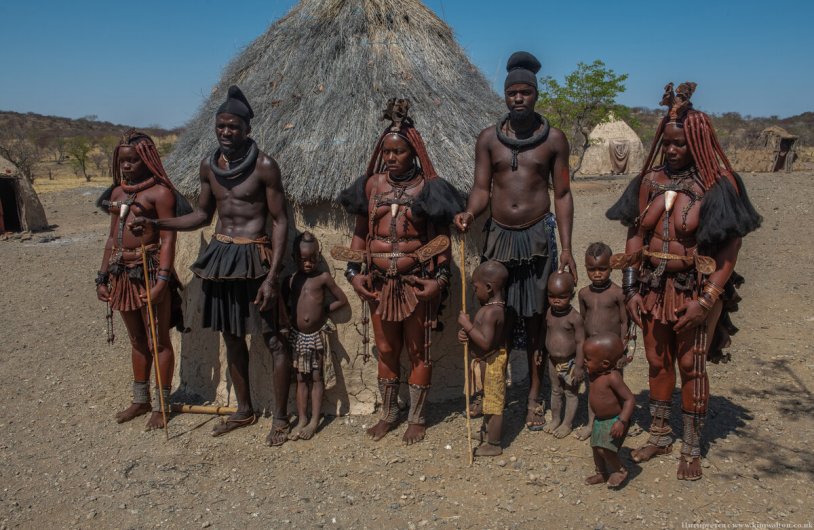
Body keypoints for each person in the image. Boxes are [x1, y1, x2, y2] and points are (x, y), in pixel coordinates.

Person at [606, 82, 761, 480]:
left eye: (681, 144)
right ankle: (659, 434)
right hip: (653, 285)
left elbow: (729, 251)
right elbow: (635, 235)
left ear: (697, 142)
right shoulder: (648, 181)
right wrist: (630, 288)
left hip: (694, 287)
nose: (673, 151)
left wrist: (708, 300)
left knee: (692, 364)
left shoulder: (717, 186)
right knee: (657, 360)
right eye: (668, 144)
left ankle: (691, 445)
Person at [131, 86, 292, 445]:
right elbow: (202, 216)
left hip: (255, 260)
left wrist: (273, 276)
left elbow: (281, 221)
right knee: (232, 338)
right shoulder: (209, 165)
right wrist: (158, 226)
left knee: (273, 339)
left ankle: (280, 418)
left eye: (233, 126)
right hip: (221, 259)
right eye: (221, 126)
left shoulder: (265, 166)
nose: (226, 132)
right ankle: (244, 409)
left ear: (247, 129)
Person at [454, 51, 576, 432]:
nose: (518, 99)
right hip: (500, 239)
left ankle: (534, 399)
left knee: (537, 321)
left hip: (539, 238)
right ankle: (491, 396)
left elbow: (564, 194)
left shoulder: (554, 140)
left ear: (536, 94)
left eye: (525, 92)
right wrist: (470, 213)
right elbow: (480, 189)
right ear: (504, 96)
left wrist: (567, 248)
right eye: (512, 93)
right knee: (498, 320)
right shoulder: (489, 139)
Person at [337, 98, 461, 444]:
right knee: (386, 348)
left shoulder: (428, 188)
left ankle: (417, 417)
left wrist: (438, 281)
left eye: (399, 152)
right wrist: (352, 274)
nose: (392, 158)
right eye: (387, 152)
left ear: (414, 154)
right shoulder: (371, 187)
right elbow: (361, 233)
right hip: (377, 283)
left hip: (415, 283)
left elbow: (440, 240)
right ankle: (389, 413)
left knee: (418, 347)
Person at [96, 130, 191, 431]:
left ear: (147, 159)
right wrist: (102, 276)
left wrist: (162, 280)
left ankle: (163, 405)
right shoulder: (116, 194)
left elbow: (167, 240)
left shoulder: (161, 193)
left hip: (150, 271)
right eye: (123, 161)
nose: (127, 166)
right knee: (137, 340)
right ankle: (141, 400)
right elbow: (112, 237)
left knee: (158, 340)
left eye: (134, 160)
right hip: (122, 272)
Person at [282, 232, 348, 441]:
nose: (308, 263)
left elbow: (342, 299)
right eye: (303, 259)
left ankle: (314, 421)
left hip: (317, 337)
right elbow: (283, 306)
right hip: (298, 337)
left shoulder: (323, 278)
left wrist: (324, 310)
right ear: (294, 258)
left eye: (312, 259)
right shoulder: (291, 280)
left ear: (318, 257)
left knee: (317, 377)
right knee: (301, 379)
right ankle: (302, 419)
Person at [574, 242, 629, 440]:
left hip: (612, 351)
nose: (597, 274)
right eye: (592, 269)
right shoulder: (584, 294)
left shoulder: (618, 293)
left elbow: (624, 322)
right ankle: (592, 423)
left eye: (602, 269)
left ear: (611, 267)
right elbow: (582, 322)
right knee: (593, 387)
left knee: (616, 385)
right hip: (592, 351)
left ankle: (621, 421)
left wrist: (622, 350)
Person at [457, 260, 508, 457]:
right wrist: (465, 335)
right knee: (487, 400)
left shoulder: (492, 312)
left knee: (494, 405)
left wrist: (467, 326)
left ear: (488, 287)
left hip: (492, 363)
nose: (473, 291)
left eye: (475, 287)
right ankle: (487, 433)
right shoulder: (489, 308)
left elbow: (486, 342)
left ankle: (494, 444)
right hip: (485, 362)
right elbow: (479, 337)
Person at [583, 333, 634, 488]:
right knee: (595, 447)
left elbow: (629, 399)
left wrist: (622, 421)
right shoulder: (594, 372)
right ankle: (602, 473)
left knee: (605, 450)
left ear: (604, 364)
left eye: (588, 358)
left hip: (614, 420)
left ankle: (620, 470)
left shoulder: (612, 377)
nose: (584, 361)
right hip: (600, 419)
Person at [543, 272, 585, 438]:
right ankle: (555, 419)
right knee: (555, 391)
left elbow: (581, 342)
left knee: (570, 393)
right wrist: (541, 350)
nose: (556, 300)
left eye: (562, 296)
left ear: (572, 295)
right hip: (552, 361)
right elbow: (545, 332)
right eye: (551, 296)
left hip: (571, 362)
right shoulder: (549, 313)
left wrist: (580, 366)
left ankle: (567, 424)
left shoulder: (574, 318)